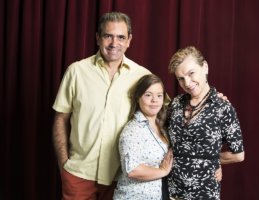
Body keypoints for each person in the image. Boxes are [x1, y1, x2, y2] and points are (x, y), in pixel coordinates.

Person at [52, 12, 151, 200]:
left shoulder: (142, 76)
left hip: (121, 177)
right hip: (78, 174)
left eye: (121, 37)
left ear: (129, 40)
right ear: (98, 38)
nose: (114, 43)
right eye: (108, 36)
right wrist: (64, 165)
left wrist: (206, 97)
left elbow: (167, 114)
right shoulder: (76, 71)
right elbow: (60, 119)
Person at [166, 46, 245, 200]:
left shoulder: (222, 107)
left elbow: (238, 155)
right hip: (171, 190)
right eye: (180, 78)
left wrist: (211, 160)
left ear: (205, 67)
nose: (187, 83)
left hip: (204, 192)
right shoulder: (175, 103)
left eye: (191, 73)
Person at [113, 74, 173, 200]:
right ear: (138, 97)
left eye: (159, 95)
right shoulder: (132, 130)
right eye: (148, 95)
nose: (154, 100)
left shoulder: (162, 125)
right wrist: (163, 171)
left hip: (159, 194)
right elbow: (132, 170)